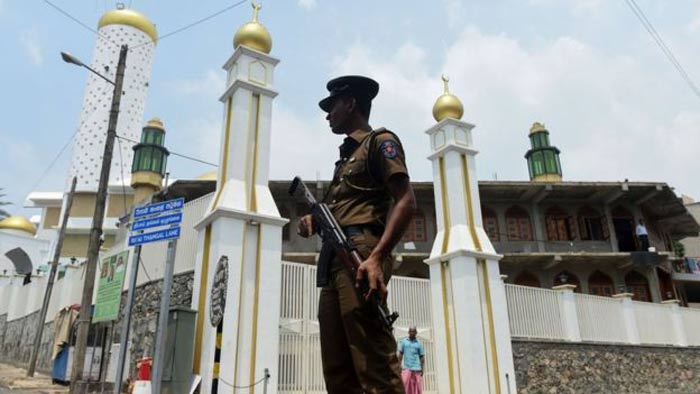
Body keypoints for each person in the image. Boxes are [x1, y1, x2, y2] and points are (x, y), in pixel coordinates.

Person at [298, 75, 416, 393]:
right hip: (335, 258)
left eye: (332, 106)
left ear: (350, 103)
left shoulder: (380, 142)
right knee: (337, 369)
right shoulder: (345, 158)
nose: (327, 114)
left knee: (372, 361)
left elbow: (406, 201)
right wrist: (314, 220)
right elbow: (345, 207)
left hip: (362, 253)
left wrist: (377, 257)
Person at [398, 326, 425, 394]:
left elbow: (422, 357)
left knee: (418, 387)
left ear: (416, 333)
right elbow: (400, 354)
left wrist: (422, 368)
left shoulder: (419, 343)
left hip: (417, 368)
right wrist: (399, 365)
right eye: (410, 331)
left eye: (413, 331)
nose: (412, 333)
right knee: (405, 385)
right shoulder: (404, 342)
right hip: (407, 368)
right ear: (408, 332)